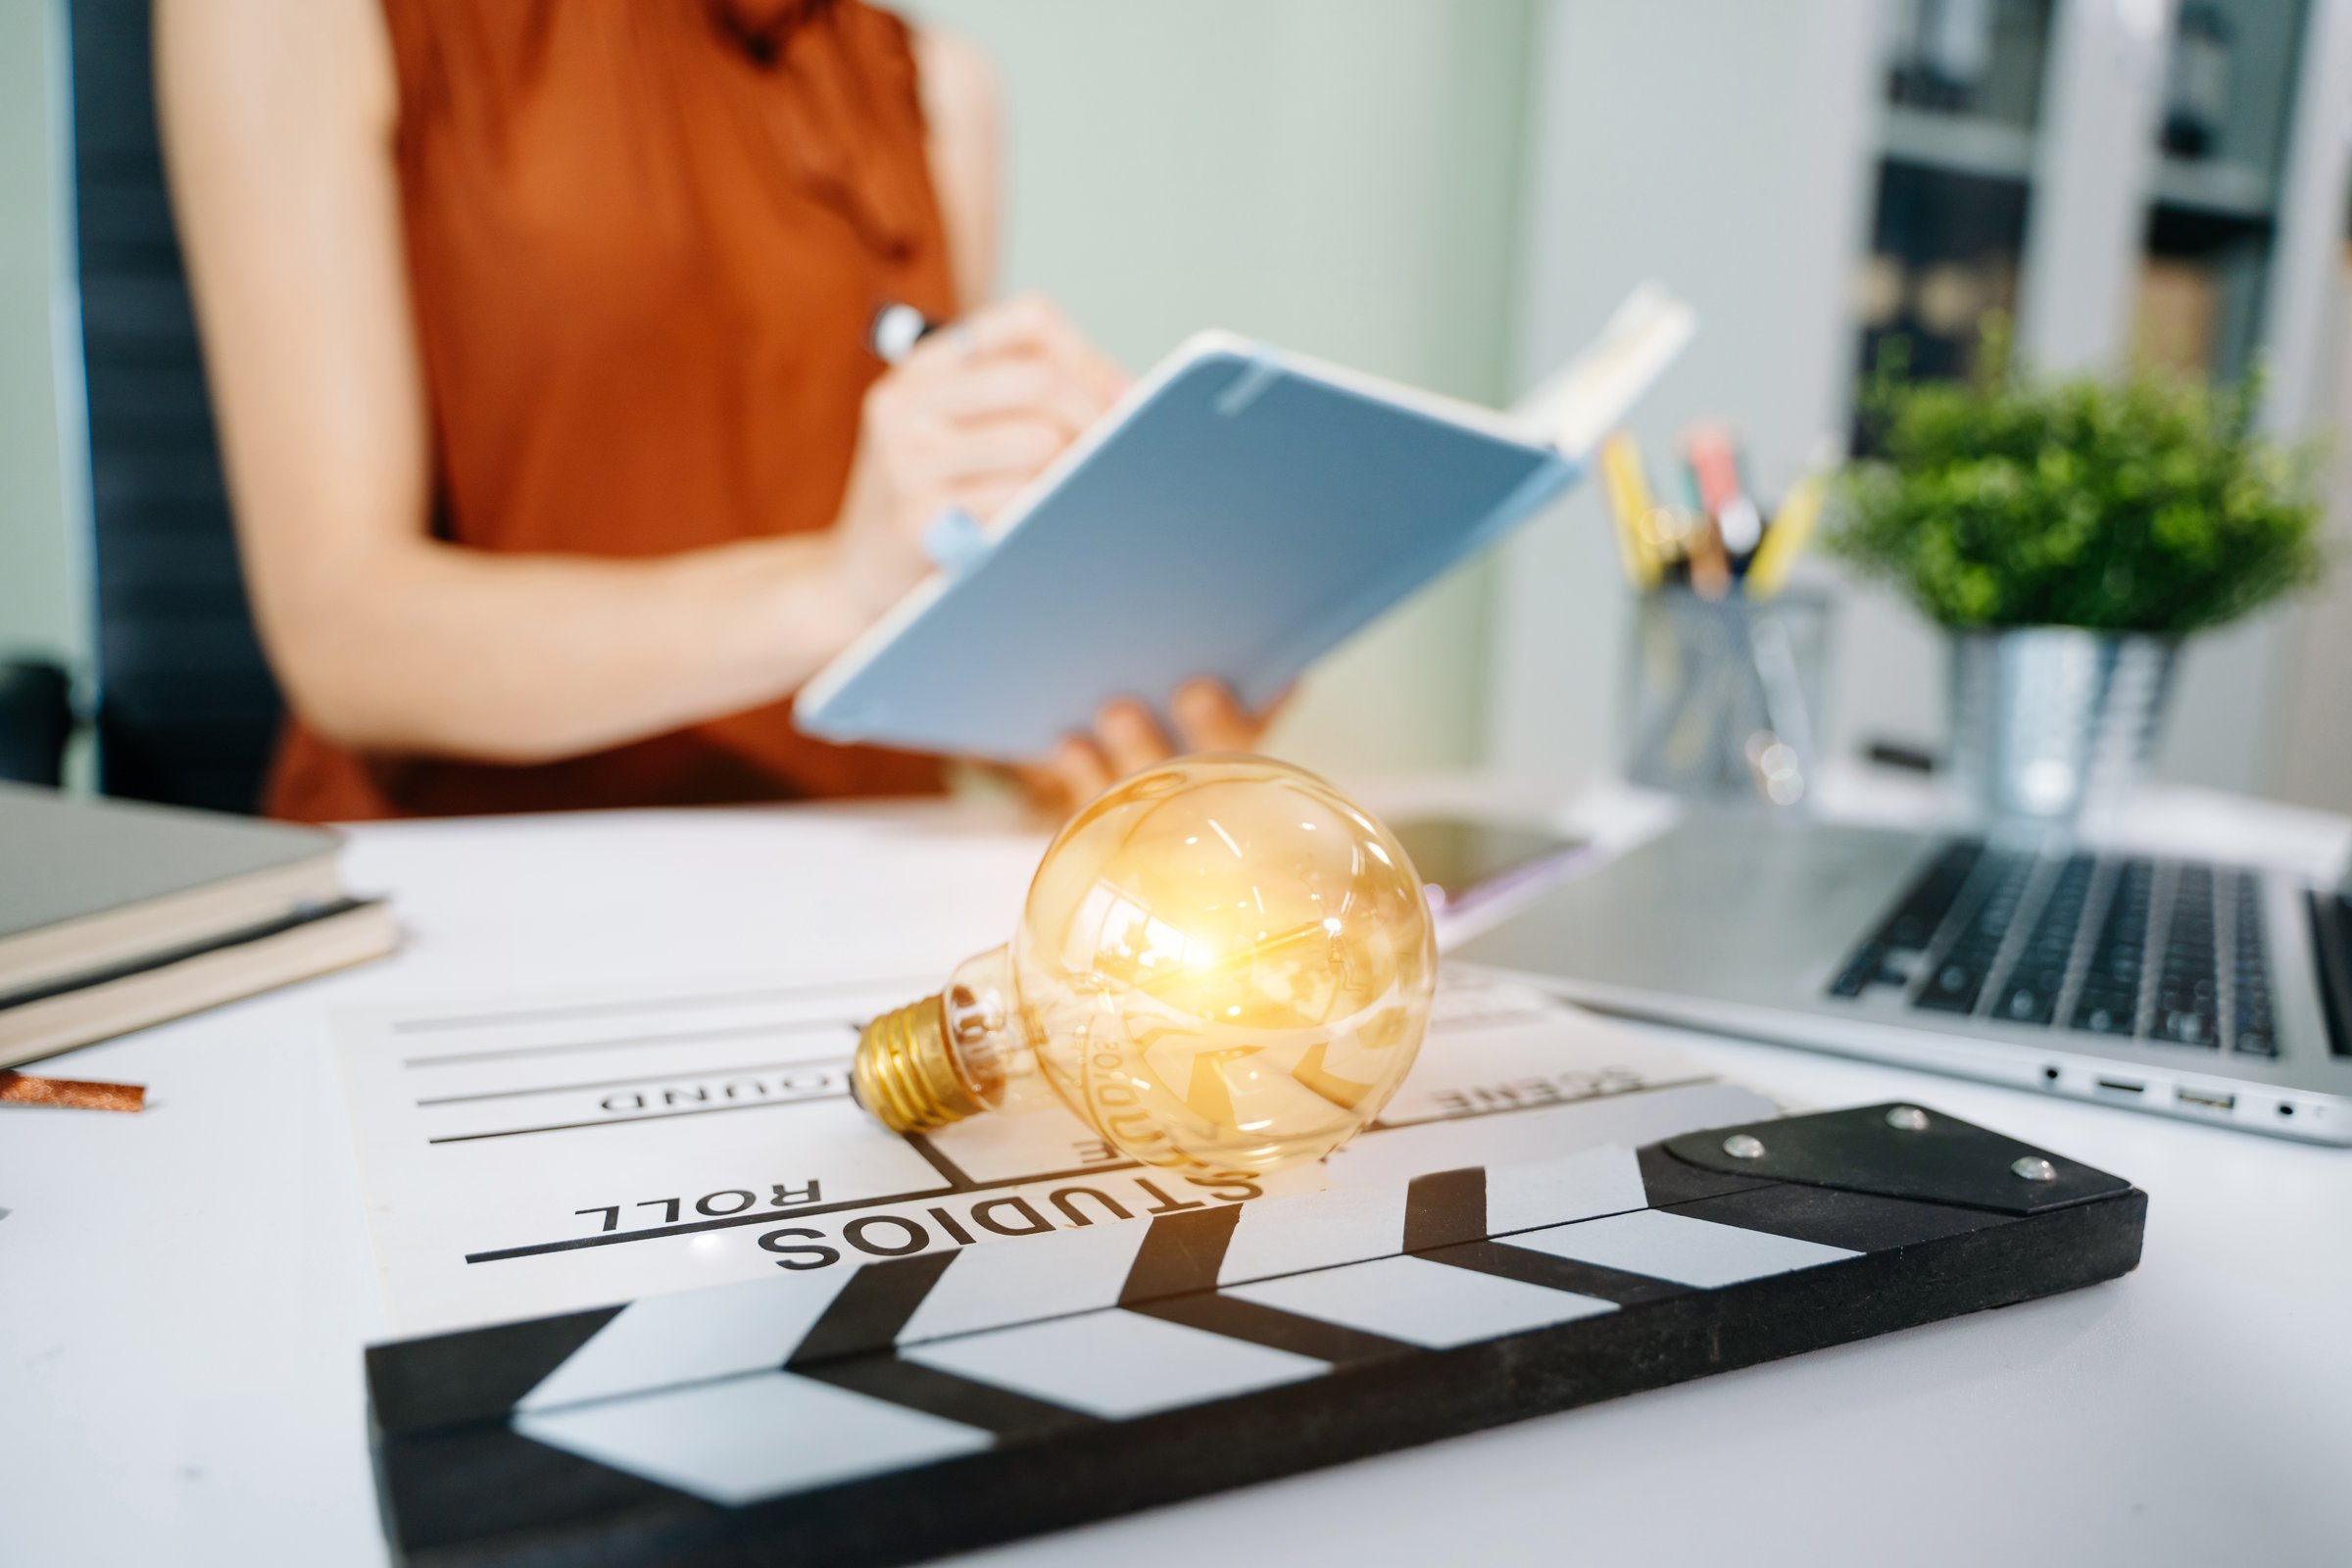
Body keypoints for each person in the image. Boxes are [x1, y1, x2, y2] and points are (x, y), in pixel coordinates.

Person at [157, 0, 1270, 821]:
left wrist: (1096, 714)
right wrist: (834, 594)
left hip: (867, 877)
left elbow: (921, 631)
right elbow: (341, 636)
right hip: (476, 886)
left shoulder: (939, 88)